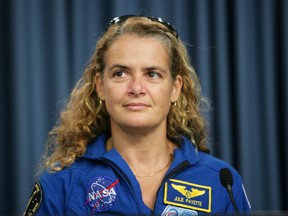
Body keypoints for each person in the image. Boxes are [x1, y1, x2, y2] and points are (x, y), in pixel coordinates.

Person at [24, 15, 251, 215]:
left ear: (175, 88)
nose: (136, 88)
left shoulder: (221, 181)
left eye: (152, 74)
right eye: (120, 73)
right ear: (101, 86)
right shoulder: (60, 186)